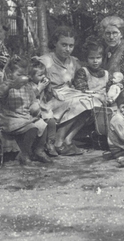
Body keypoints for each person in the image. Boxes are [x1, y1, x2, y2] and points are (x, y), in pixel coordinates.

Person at [39, 27, 101, 156]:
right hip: (50, 98)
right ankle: (58, 141)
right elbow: (34, 83)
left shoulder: (74, 61)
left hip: (69, 95)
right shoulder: (45, 61)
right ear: (55, 43)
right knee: (78, 102)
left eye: (71, 46)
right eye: (64, 45)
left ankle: (68, 140)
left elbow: (82, 79)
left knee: (92, 101)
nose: (67, 49)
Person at [0, 56, 51, 165]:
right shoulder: (7, 87)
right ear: (10, 75)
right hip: (11, 119)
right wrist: (8, 86)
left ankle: (39, 150)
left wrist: (35, 106)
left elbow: (33, 99)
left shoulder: (28, 87)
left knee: (43, 125)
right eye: (19, 75)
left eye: (25, 75)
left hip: (26, 117)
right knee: (32, 129)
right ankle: (25, 154)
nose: (22, 78)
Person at [99, 15, 124, 90]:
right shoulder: (108, 49)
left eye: (115, 33)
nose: (111, 37)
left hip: (122, 93)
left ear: (121, 34)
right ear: (103, 35)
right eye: (108, 33)